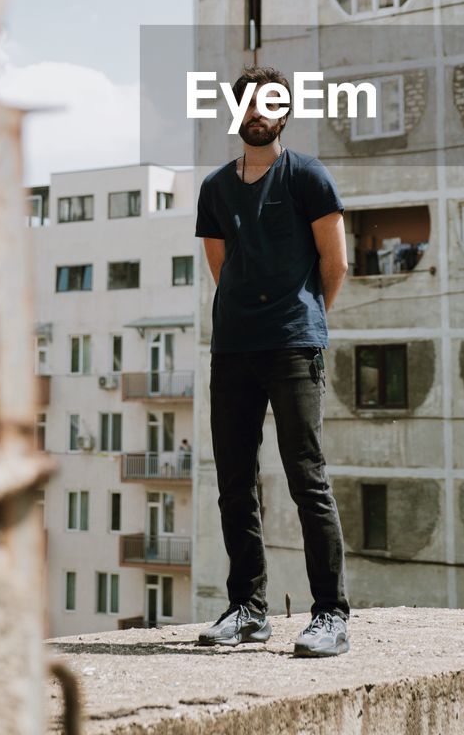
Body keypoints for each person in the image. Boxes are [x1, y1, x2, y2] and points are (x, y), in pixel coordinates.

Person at [194, 65, 351, 657]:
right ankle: (247, 609)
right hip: (233, 347)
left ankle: (331, 615)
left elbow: (333, 266)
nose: (258, 114)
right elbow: (221, 268)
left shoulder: (308, 175)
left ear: (285, 114)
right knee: (235, 483)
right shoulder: (214, 188)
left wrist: (304, 320)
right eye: (249, 106)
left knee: (306, 479)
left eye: (270, 105)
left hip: (292, 346)